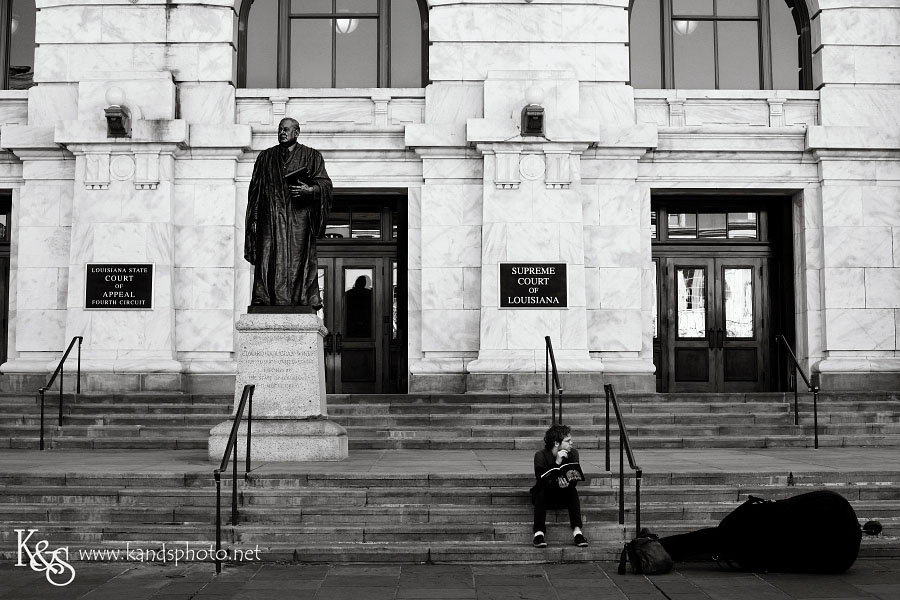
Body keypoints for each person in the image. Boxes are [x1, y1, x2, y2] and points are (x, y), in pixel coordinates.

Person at [245, 117, 333, 308]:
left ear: (297, 132)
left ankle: (298, 301)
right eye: (280, 129)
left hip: (298, 218)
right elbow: (255, 190)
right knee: (267, 256)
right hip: (270, 218)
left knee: (297, 260)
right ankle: (264, 298)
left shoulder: (311, 156)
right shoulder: (265, 157)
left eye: (286, 129)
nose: (282, 133)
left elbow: (325, 184)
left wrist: (310, 191)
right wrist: (254, 217)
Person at [531, 424, 588, 548]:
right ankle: (539, 533)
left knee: (572, 491)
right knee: (540, 491)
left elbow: (574, 479)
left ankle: (577, 532)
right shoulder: (540, 455)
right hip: (545, 496)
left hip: (563, 495)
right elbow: (541, 481)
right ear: (557, 443)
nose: (571, 443)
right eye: (567, 441)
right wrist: (557, 463)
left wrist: (567, 484)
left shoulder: (573, 454)